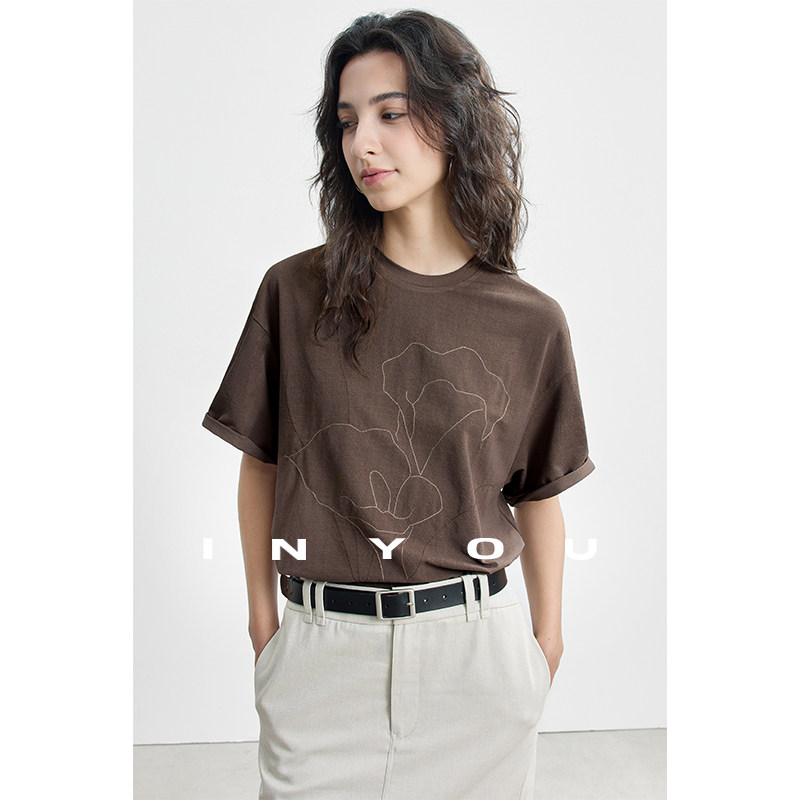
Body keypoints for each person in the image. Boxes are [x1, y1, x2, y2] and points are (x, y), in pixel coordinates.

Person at [201, 9, 595, 800]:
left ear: (455, 121)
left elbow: (539, 494)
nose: (363, 144)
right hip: (321, 660)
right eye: (348, 122)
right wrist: (264, 625)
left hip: (477, 665)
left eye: (391, 113)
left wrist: (544, 642)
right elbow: (261, 467)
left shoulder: (529, 320)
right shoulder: (294, 292)